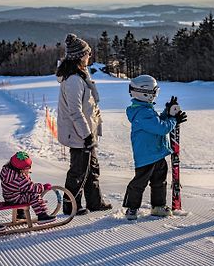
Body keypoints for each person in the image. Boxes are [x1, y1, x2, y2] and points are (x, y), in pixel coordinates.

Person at [56, 33, 112, 215]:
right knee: (78, 171)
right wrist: (86, 135)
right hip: (79, 134)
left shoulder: (81, 75)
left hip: (86, 133)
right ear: (80, 56)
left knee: (92, 169)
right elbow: (75, 111)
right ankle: (71, 205)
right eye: (87, 54)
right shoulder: (73, 80)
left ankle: (94, 202)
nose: (90, 57)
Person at [123, 75, 187, 220]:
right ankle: (131, 207)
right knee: (140, 182)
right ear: (144, 93)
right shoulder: (141, 113)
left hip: (157, 153)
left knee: (159, 181)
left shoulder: (146, 109)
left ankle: (158, 206)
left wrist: (167, 113)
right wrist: (173, 120)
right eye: (154, 92)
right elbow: (161, 128)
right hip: (146, 156)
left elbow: (158, 121)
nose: (155, 95)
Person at [0, 151, 56, 224]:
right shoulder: (19, 179)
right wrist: (43, 187)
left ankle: (20, 214)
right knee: (34, 196)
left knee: (24, 192)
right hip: (15, 199)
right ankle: (42, 216)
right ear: (20, 169)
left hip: (9, 197)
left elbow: (24, 187)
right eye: (27, 168)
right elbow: (32, 188)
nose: (28, 170)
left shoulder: (7, 171)